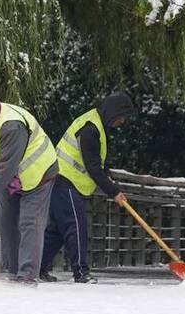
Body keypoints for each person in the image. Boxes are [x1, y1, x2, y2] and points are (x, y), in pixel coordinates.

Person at [0, 87, 58, 285]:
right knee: (5, 218)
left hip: (38, 173)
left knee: (29, 221)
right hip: (15, 176)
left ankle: (27, 275)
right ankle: (11, 270)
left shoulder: (11, 126)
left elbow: (6, 168)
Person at [40, 92, 134, 283]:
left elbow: (100, 163)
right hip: (63, 179)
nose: (122, 121)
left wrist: (109, 180)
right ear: (113, 112)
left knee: (57, 231)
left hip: (63, 181)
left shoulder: (98, 125)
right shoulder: (90, 128)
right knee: (76, 226)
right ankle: (81, 273)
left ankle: (36, 268)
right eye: (121, 116)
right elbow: (92, 167)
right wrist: (113, 191)